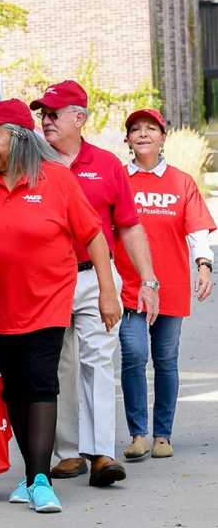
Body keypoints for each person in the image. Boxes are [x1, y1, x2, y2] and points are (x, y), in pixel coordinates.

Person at [0, 99, 119, 513]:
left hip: (48, 301)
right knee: (14, 388)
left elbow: (94, 236)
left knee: (41, 381)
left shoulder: (58, 180)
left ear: (20, 140)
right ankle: (32, 473)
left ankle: (40, 479)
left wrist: (106, 291)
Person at [30, 80, 158, 487]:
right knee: (60, 367)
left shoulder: (106, 164)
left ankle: (102, 452)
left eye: (53, 114)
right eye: (42, 115)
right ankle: (68, 453)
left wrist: (148, 281)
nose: (45, 121)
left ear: (79, 118)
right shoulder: (33, 163)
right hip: (47, 279)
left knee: (98, 363)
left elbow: (130, 227)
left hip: (94, 277)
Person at [116, 109, 216, 460]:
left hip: (171, 285)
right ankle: (138, 433)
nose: (143, 134)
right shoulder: (119, 180)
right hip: (130, 287)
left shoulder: (181, 182)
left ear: (163, 136)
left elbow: (198, 231)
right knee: (133, 355)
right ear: (127, 139)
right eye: (135, 129)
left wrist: (204, 265)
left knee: (165, 360)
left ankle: (162, 434)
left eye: (151, 129)